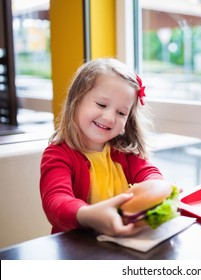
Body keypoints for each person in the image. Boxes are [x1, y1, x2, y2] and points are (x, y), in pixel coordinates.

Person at [40, 58, 169, 236]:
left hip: (120, 244)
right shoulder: (58, 155)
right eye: (101, 104)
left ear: (127, 121)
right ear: (76, 101)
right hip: (77, 249)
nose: (109, 118)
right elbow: (55, 202)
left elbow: (149, 173)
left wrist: (158, 189)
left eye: (121, 112)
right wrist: (89, 215)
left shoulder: (126, 151)